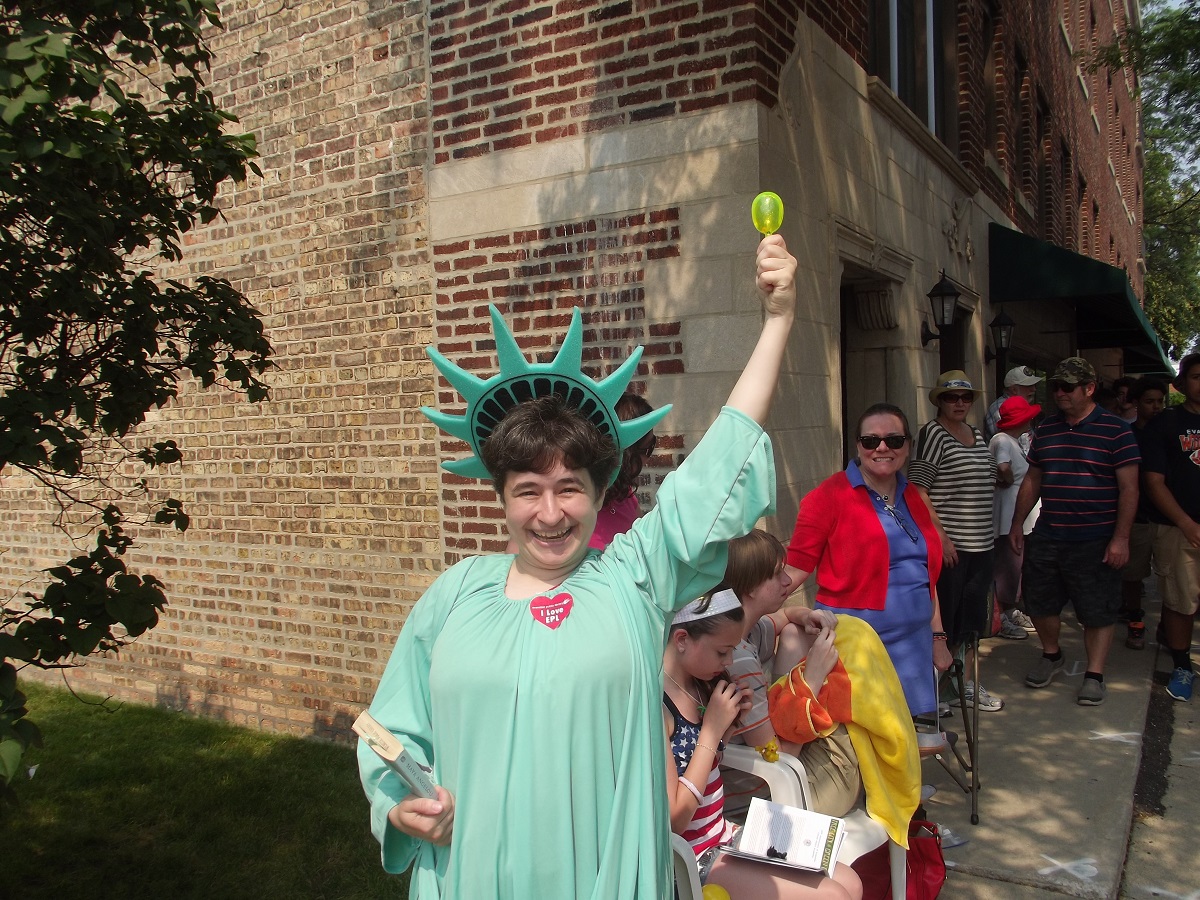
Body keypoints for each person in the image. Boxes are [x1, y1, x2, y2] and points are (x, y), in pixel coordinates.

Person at [357, 234, 799, 899]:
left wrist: (778, 321)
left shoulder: (633, 580)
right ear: (501, 497)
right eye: (527, 491)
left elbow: (717, 468)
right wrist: (401, 808)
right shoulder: (452, 597)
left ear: (599, 494)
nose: (549, 513)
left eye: (569, 488)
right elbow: (394, 731)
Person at [664, 591, 863, 900]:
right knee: (833, 896)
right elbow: (675, 819)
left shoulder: (699, 685)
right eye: (722, 652)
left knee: (851, 882)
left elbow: (703, 766)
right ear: (681, 640)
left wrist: (727, 729)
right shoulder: (657, 709)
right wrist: (712, 732)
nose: (729, 662)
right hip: (690, 860)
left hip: (723, 836)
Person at [785, 402, 952, 720]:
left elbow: (926, 577)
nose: (882, 448)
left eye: (894, 440)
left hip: (914, 649)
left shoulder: (914, 496)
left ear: (908, 446)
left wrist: (938, 637)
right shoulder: (828, 496)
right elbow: (794, 570)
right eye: (871, 440)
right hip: (857, 649)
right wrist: (743, 611)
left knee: (915, 741)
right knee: (866, 740)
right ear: (858, 446)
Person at [1009, 357, 1140, 706]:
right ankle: (1051, 654)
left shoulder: (1116, 430)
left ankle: (1094, 674)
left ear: (1089, 388)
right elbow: (1033, 478)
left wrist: (1121, 538)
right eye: (1056, 387)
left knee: (1097, 609)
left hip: (1096, 538)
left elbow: (1129, 488)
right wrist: (1017, 523)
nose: (1060, 393)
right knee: (1039, 601)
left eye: (1067, 387)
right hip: (1049, 533)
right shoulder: (1047, 429)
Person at [721, 529, 856, 819]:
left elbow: (784, 617)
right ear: (750, 588)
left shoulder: (744, 630)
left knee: (795, 633)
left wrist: (806, 616)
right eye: (776, 574)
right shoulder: (738, 660)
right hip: (763, 797)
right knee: (853, 740)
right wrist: (812, 680)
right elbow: (778, 758)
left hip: (763, 776)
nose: (787, 581)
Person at [910, 371, 1003, 712]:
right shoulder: (933, 433)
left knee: (972, 623)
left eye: (965, 397)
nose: (959, 403)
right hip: (952, 548)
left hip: (982, 545)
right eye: (951, 397)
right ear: (940, 401)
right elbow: (918, 489)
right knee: (944, 622)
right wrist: (941, 537)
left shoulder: (977, 434)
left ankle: (962, 685)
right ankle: (933, 692)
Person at [1141, 354, 1200, 701]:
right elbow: (1154, 481)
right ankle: (1181, 665)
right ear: (1182, 383)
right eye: (1196, 377)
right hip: (1178, 528)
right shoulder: (1166, 423)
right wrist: (1185, 522)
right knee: (1180, 600)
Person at [1119, 376, 1168, 650]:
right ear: (1136, 403)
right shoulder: (1127, 435)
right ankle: (1135, 620)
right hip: (1137, 517)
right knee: (1133, 575)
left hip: (1168, 518)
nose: (1156, 407)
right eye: (1150, 401)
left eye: (1160, 401)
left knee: (1170, 576)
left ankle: (1168, 626)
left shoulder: (1171, 432)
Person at [989, 395, 1042, 640]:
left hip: (1021, 515)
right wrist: (1008, 482)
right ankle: (1002, 615)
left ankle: (1011, 610)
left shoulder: (1014, 441)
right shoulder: (1002, 440)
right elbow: (1003, 467)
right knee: (1007, 567)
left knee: (1017, 566)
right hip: (1008, 515)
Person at [589, 392, 658, 549]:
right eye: (648, 449)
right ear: (626, 454)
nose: (648, 460)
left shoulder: (623, 493)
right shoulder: (581, 509)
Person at [983, 365, 1043, 443]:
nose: (1034, 389)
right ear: (1014, 390)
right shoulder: (1001, 409)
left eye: (1034, 385)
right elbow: (1021, 444)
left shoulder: (1021, 408)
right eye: (1028, 385)